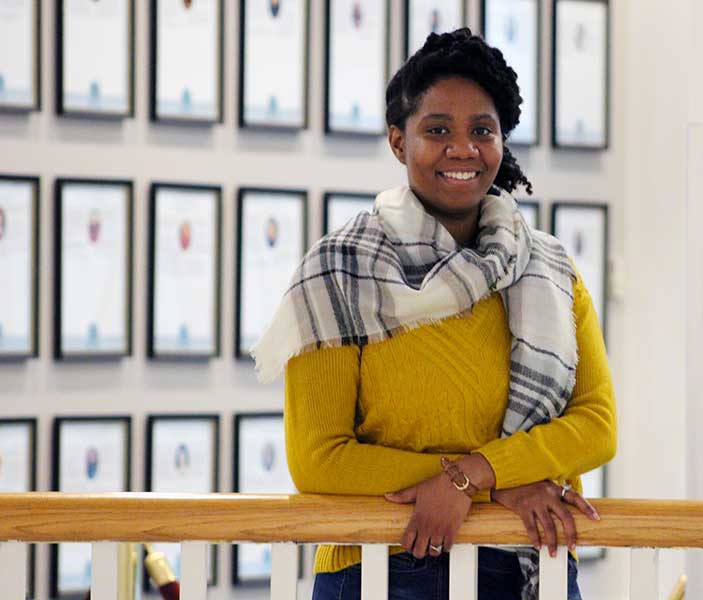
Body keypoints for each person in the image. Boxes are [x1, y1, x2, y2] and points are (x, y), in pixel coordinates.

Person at [252, 28, 616, 600]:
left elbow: (596, 425)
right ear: (399, 142)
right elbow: (319, 460)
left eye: (482, 130)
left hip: (532, 571)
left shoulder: (548, 267)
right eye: (437, 130)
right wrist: (492, 487)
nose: (463, 149)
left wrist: (475, 476)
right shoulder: (339, 270)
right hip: (386, 568)